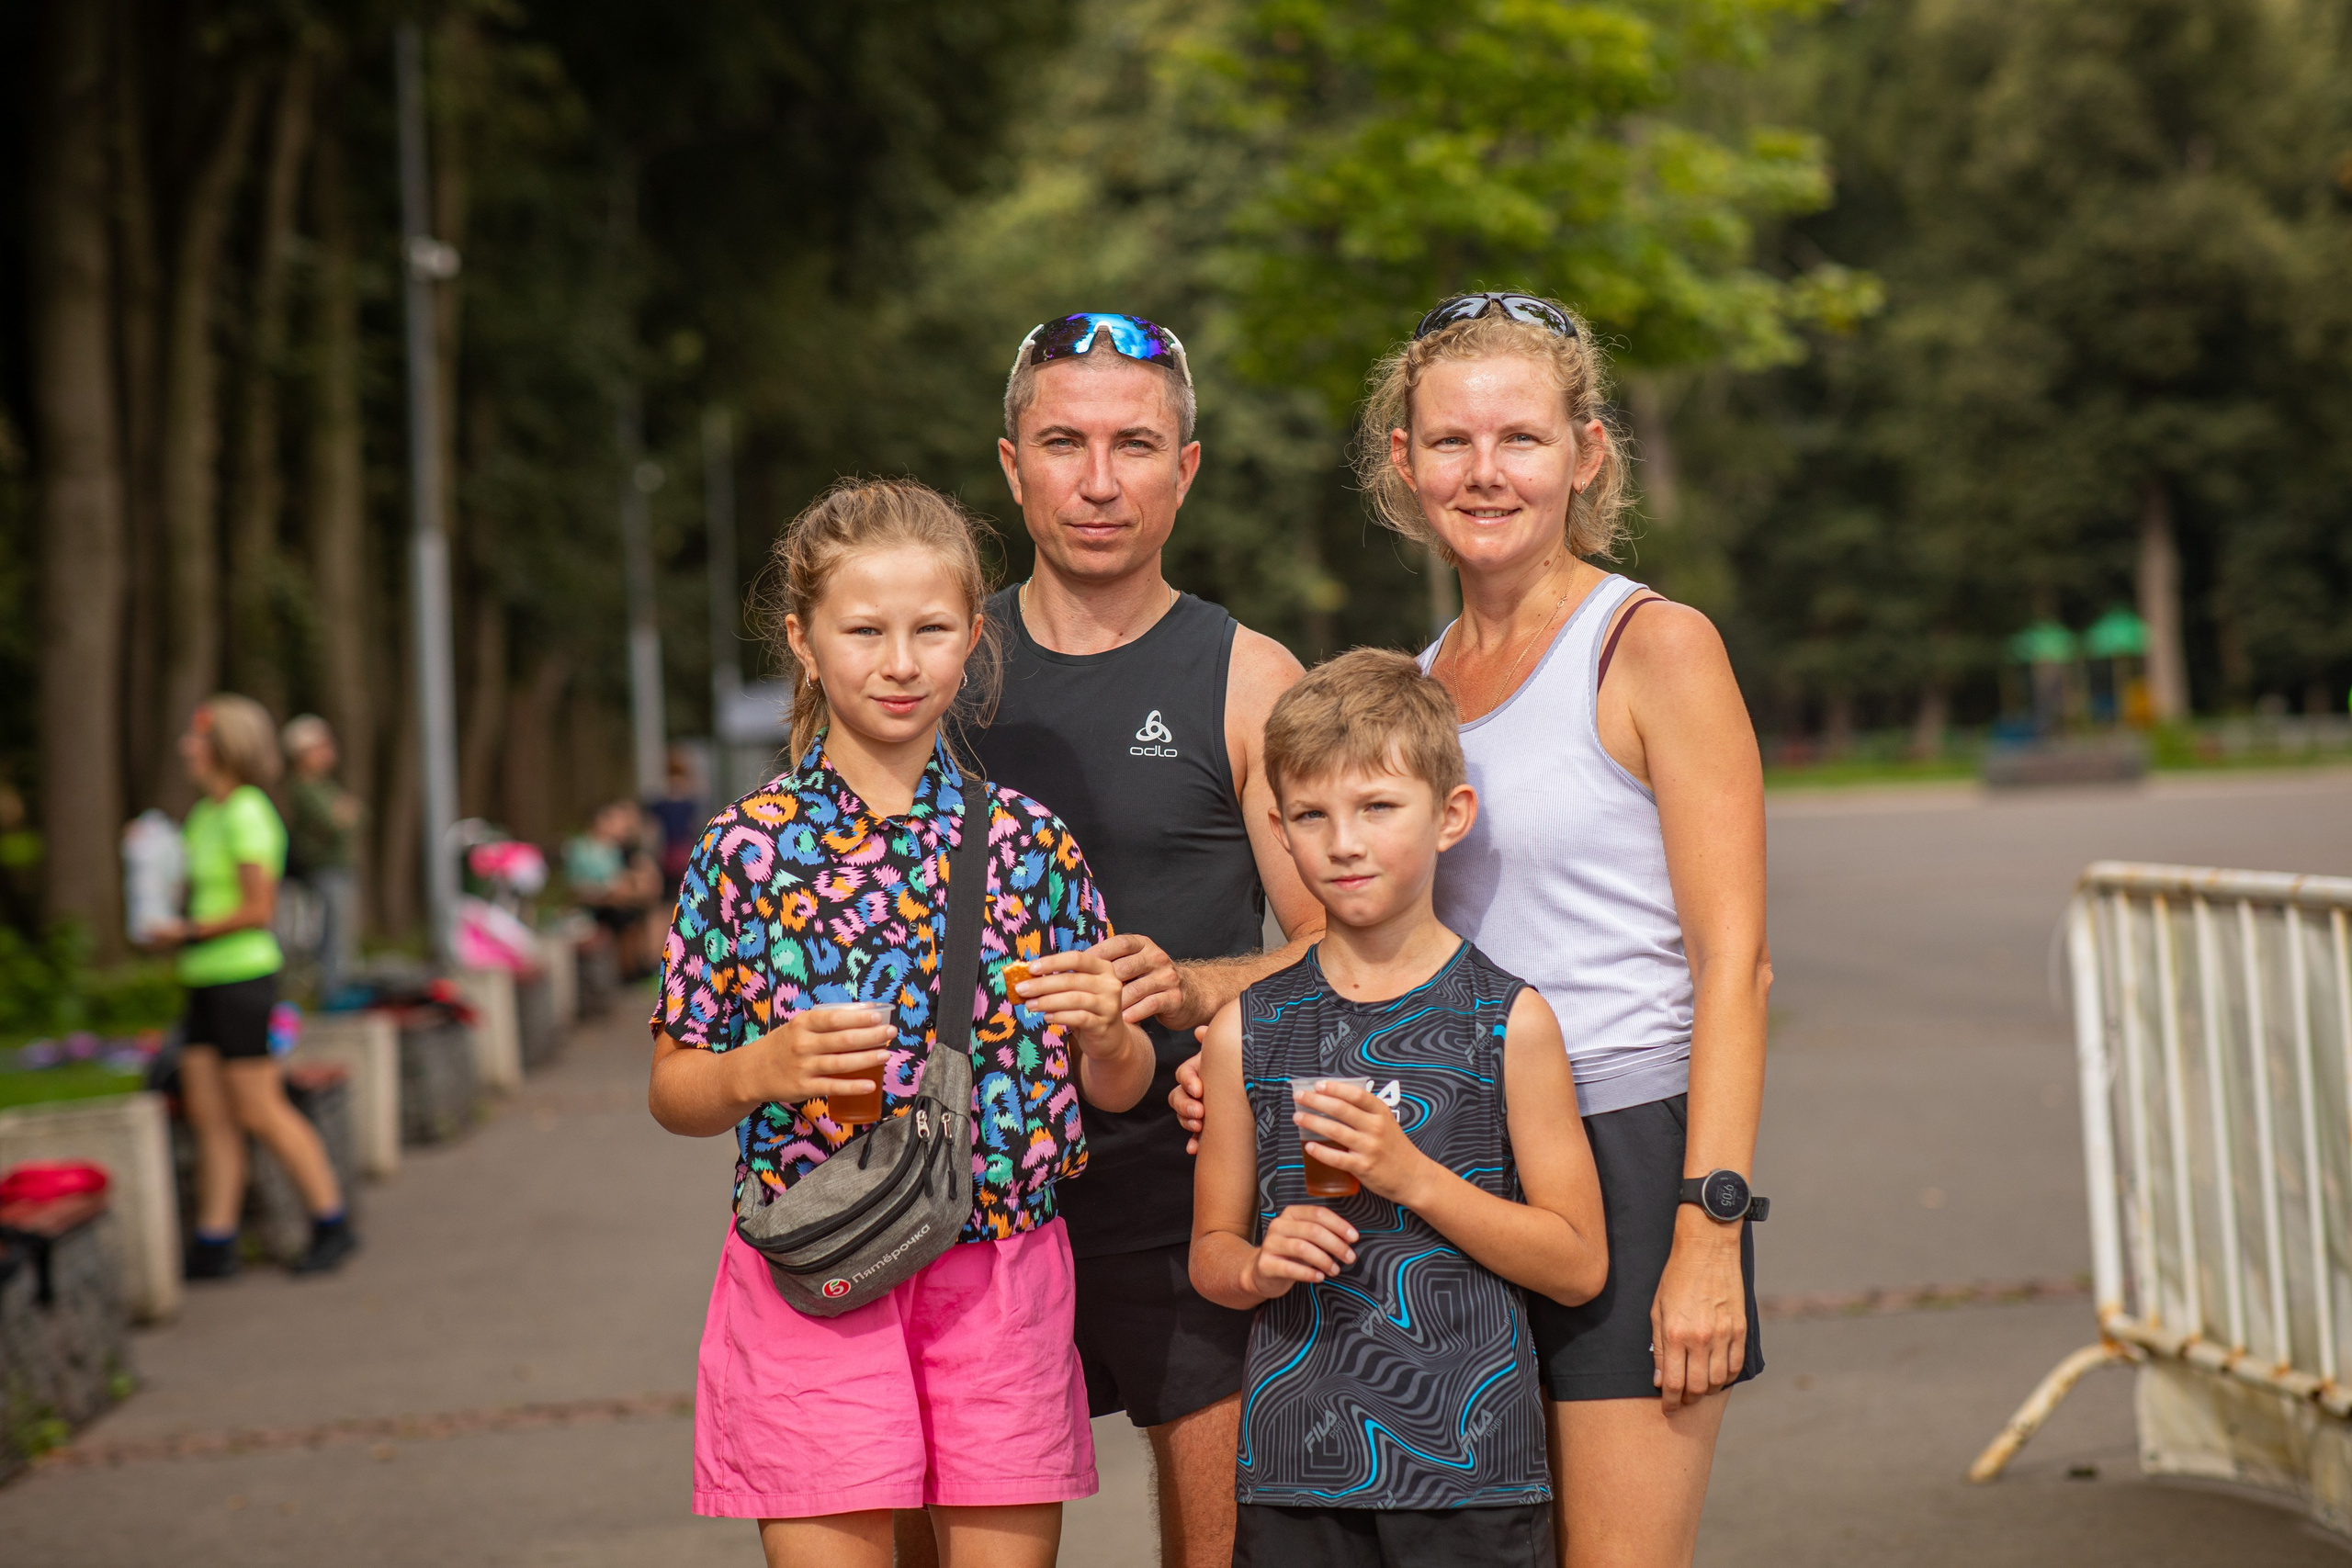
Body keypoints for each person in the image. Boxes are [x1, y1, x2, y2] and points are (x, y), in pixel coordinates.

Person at [1176, 293, 1771, 1568]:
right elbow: (1375, 928)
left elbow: (1737, 961)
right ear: (1404, 461)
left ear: (1586, 452)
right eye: (1450, 441)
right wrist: (1232, 1047)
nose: (1485, 471)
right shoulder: (1423, 677)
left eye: (1521, 437)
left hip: (1621, 1145)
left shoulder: (1652, 646)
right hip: (1441, 1148)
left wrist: (1709, 1225)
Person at [645, 477, 1159, 1568]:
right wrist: (762, 1068)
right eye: (864, 630)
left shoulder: (1030, 844)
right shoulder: (747, 851)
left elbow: (1113, 1083)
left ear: (972, 639)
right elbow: (675, 1089)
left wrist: (1112, 1032)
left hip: (1002, 1277)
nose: (899, 660)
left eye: (931, 630)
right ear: (803, 640)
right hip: (814, 1272)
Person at [930, 311, 1325, 1568]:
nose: (1099, 480)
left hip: (1182, 1180)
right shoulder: (932, 669)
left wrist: (1194, 982)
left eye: (1134, 445)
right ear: (1010, 466)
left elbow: (1346, 947)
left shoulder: (1250, 676)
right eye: (1064, 441)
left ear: (1186, 468)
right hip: (961, 1194)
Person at [1190, 649, 1607, 1568]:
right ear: (1280, 831)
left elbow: (1576, 1264)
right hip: (1296, 1473)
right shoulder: (1243, 1033)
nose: (1344, 841)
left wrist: (1412, 1176)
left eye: (1377, 807)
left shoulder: (1510, 1021)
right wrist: (1259, 1266)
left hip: (1474, 1474)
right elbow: (1209, 1255)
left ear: (1449, 815)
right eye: (1312, 814)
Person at [148, 694, 356, 1279]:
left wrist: (187, 928)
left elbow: (257, 908)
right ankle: (216, 1241)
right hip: (201, 979)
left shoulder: (247, 812)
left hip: (242, 979)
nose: (187, 748)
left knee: (261, 1108)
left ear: (225, 747)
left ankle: (331, 1221)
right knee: (210, 1114)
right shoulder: (203, 815)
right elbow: (197, 893)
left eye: (197, 738)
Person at [279, 714, 363, 998]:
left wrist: (346, 816)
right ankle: (333, 996)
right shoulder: (304, 788)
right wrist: (343, 815)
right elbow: (335, 822)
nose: (327, 752)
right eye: (319, 747)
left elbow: (355, 817)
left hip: (335, 867)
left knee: (341, 936)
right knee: (331, 938)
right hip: (323, 869)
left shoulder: (324, 786)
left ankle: (337, 991)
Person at [566, 799, 662, 978]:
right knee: (626, 917)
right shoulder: (581, 848)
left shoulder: (613, 849)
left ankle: (638, 966)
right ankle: (631, 970)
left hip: (614, 900)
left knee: (634, 912)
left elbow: (621, 876)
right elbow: (578, 885)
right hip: (594, 904)